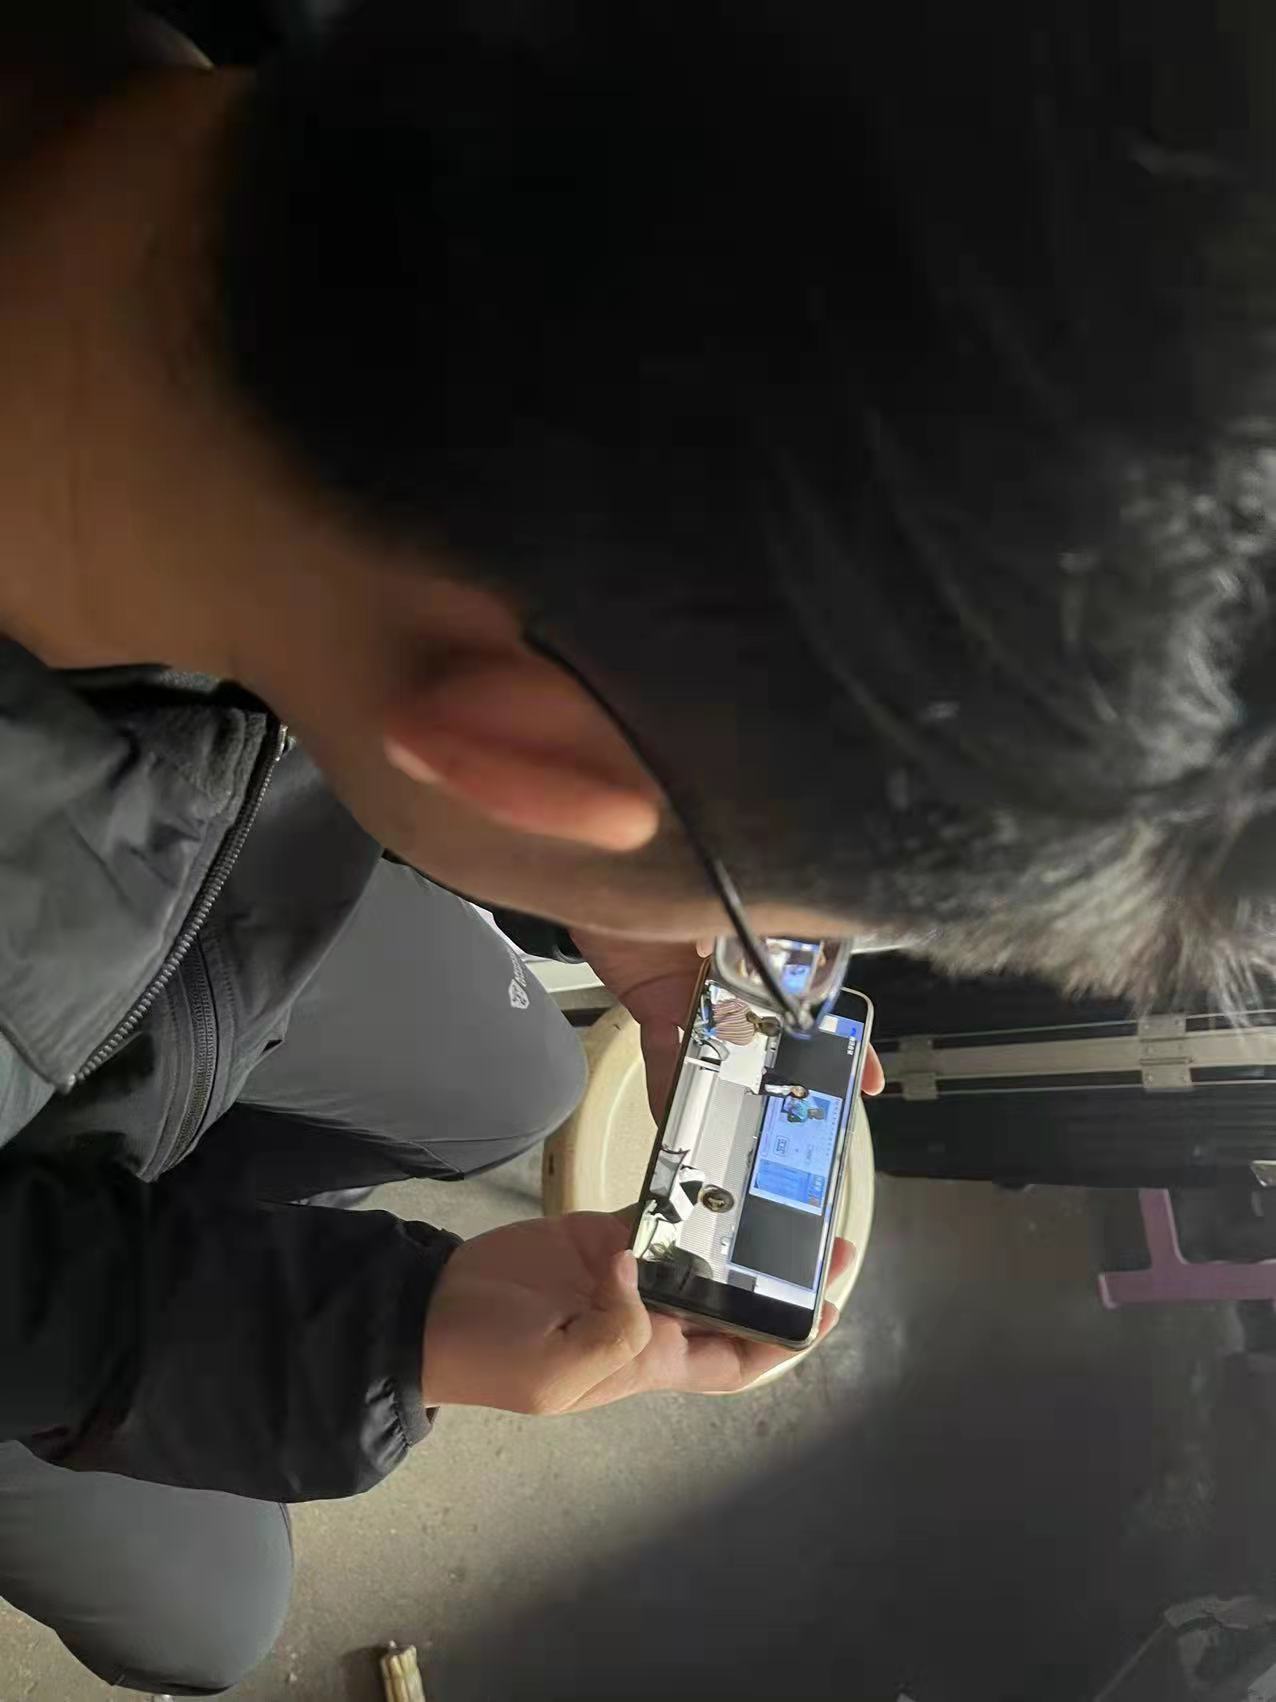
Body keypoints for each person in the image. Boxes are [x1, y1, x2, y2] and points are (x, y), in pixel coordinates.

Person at [1, 0, 1275, 1690]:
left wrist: (641, 873)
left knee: (516, 1081)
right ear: (525, 762)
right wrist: (381, 1333)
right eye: (779, 915)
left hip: (224, 817)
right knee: (213, 1609)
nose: (757, 966)